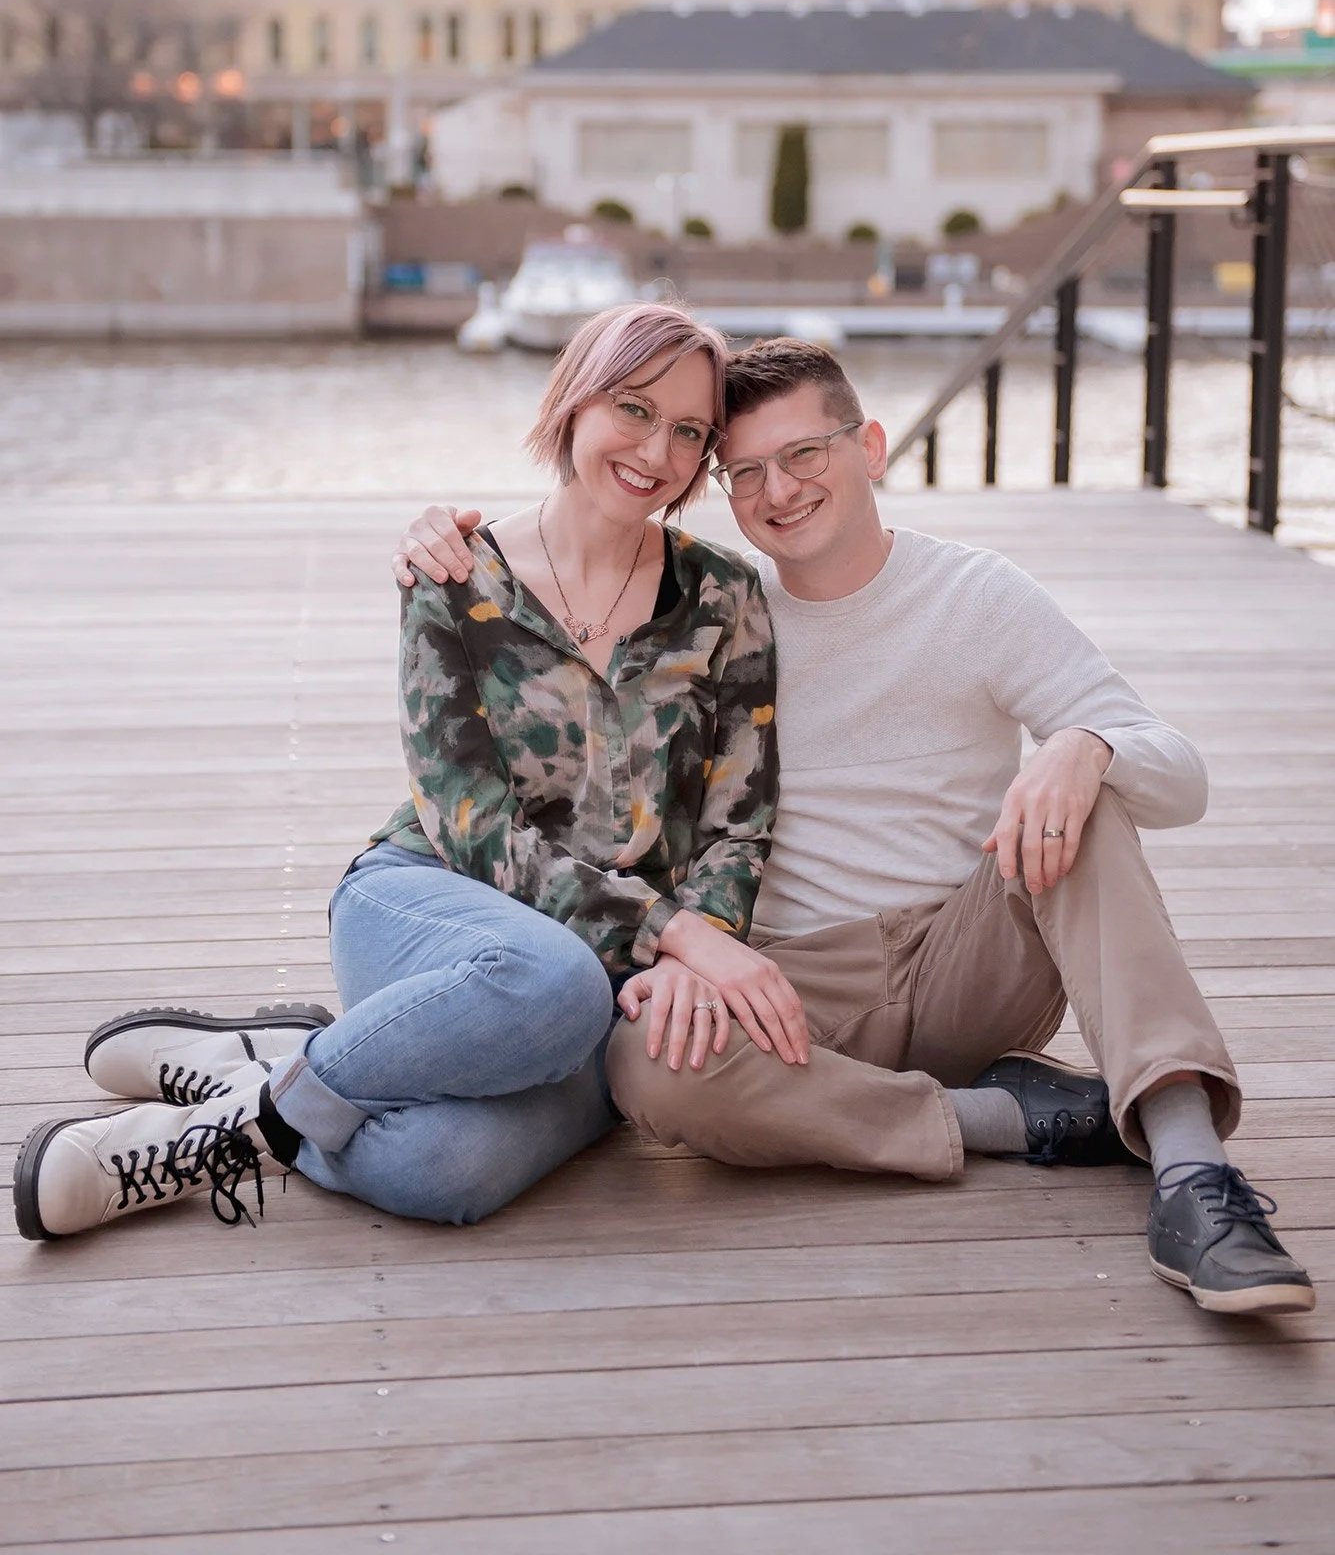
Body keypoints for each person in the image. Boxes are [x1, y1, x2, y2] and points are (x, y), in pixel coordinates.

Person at [392, 336, 1316, 1317]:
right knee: (646, 1063)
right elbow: (591, 646)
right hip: (796, 983)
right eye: (745, 472)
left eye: (804, 454)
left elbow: (1178, 774)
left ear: (868, 446)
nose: (779, 491)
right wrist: (443, 540)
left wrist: (1085, 748)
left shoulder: (977, 594)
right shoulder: (719, 610)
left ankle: (1193, 1174)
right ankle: (1004, 1116)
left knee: (1086, 806)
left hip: (968, 957)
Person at [14, 303, 786, 1242]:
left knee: (443, 1170)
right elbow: (470, 824)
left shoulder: (724, 594)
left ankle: (267, 1068)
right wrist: (673, 932)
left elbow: (737, 821)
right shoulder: (455, 577)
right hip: (430, 902)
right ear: (575, 400)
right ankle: (206, 1142)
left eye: (689, 432)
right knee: (553, 981)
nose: (656, 451)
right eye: (633, 408)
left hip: (618, 980)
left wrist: (693, 953)